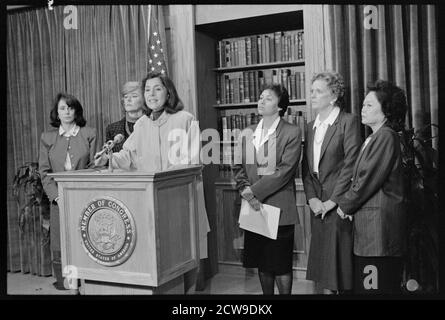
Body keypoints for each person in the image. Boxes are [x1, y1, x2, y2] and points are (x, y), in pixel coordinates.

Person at [94, 72, 210, 290]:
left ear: (168, 92)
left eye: (157, 88)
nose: (151, 94)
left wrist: (165, 181)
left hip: (182, 201)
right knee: (161, 256)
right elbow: (128, 156)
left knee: (187, 251)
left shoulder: (184, 119)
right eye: (147, 90)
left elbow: (193, 162)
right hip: (151, 203)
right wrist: (108, 158)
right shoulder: (142, 124)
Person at [336, 80, 407, 294]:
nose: (362, 109)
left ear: (385, 110)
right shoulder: (374, 137)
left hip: (378, 233)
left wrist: (345, 205)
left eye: (369, 105)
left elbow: (367, 179)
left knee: (374, 289)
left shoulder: (386, 136)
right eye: (363, 104)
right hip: (370, 230)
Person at [232, 84, 302, 295]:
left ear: (280, 107)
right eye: (261, 97)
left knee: (280, 265)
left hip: (279, 209)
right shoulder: (247, 132)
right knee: (263, 264)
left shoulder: (292, 132)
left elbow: (284, 171)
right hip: (253, 209)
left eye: (268, 98)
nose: (261, 101)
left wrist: (253, 193)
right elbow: (238, 167)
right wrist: (245, 189)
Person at [302, 71, 362, 294]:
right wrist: (312, 198)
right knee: (323, 272)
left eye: (319, 91)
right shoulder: (310, 126)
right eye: (311, 91)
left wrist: (332, 201)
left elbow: (351, 165)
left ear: (334, 95)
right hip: (317, 205)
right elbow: (306, 168)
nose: (313, 96)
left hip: (338, 205)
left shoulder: (348, 121)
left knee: (338, 271)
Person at [39, 93, 97, 290]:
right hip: (59, 200)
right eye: (62, 108)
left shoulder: (89, 133)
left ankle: (88, 281)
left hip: (85, 197)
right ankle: (68, 282)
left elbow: (95, 167)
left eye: (70, 108)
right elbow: (44, 172)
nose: (66, 112)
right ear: (57, 112)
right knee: (61, 241)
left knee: (86, 237)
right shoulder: (47, 138)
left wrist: (83, 193)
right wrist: (56, 197)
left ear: (76, 111)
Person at [105, 81, 147, 152]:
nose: (128, 100)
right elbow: (110, 159)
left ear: (144, 99)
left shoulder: (152, 124)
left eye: (134, 96)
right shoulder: (112, 129)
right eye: (126, 97)